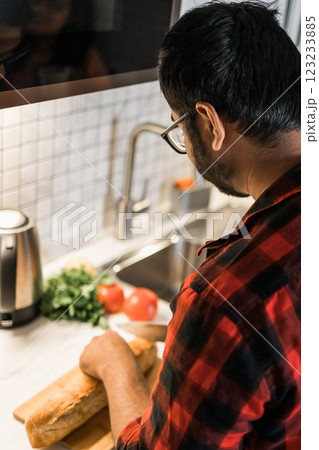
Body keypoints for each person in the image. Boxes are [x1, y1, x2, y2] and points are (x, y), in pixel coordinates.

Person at [80, 1, 301, 448]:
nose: (185, 140)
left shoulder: (229, 299)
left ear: (209, 123)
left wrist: (115, 363)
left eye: (180, 127)